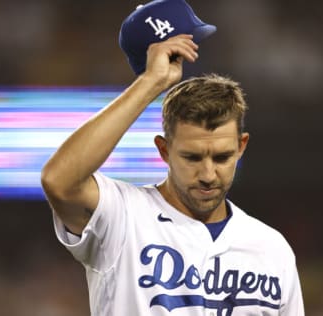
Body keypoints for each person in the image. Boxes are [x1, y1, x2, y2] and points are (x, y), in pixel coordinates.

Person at [41, 33, 304, 316]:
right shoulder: (123, 217)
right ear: (164, 150)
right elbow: (59, 180)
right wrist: (150, 83)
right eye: (192, 157)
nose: (207, 174)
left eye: (221, 157)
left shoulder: (271, 248)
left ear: (241, 147)